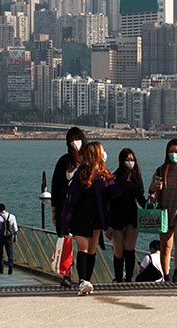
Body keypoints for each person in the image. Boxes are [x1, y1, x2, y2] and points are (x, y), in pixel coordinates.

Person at [62, 141, 114, 296]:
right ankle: (83, 280)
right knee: (83, 248)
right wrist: (66, 222)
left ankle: (86, 281)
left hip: (96, 218)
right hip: (81, 217)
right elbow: (70, 199)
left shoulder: (104, 175)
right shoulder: (82, 174)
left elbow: (110, 196)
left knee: (92, 250)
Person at [51, 126, 87, 288]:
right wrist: (53, 207)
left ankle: (84, 276)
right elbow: (56, 185)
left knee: (83, 244)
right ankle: (66, 274)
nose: (74, 143)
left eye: (77, 139)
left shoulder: (89, 160)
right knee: (66, 240)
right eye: (71, 140)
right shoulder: (64, 161)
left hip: (82, 208)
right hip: (64, 208)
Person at [148, 139, 177, 283]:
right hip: (164, 212)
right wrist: (154, 188)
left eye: (176, 152)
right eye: (171, 152)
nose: (173, 154)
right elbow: (151, 192)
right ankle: (166, 275)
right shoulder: (161, 170)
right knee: (165, 246)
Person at [105, 147, 146, 282]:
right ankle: (118, 277)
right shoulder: (115, 176)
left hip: (131, 214)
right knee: (118, 250)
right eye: (127, 160)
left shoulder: (136, 177)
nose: (130, 162)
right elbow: (111, 196)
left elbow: (140, 196)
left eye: (132, 160)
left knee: (130, 248)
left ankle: (128, 277)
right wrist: (108, 224)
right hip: (116, 215)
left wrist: (148, 206)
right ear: (121, 161)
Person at [0, 203, 18, 275]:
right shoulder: (12, 216)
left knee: (0, 253)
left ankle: (1, 268)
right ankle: (10, 265)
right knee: (10, 252)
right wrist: (15, 236)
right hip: (9, 236)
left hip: (0, 236)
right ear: (5, 208)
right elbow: (15, 227)